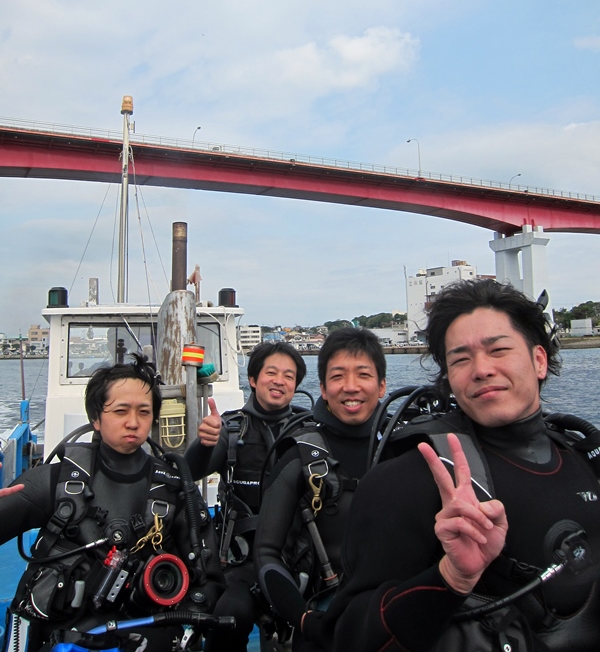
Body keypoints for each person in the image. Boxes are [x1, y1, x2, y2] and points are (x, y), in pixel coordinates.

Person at [325, 278, 600, 652]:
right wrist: (450, 577)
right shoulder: (409, 480)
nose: (481, 369)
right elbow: (350, 636)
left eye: (498, 349)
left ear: (539, 359)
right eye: (460, 359)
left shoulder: (585, 457)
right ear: (450, 380)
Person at [0, 354, 225, 652]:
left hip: (143, 636)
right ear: (96, 418)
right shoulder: (58, 480)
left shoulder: (172, 488)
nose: (133, 422)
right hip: (59, 635)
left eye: (144, 412)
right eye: (121, 411)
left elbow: (210, 581)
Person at [254, 327, 386, 651]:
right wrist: (303, 619)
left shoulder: (406, 450)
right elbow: (266, 552)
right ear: (324, 389)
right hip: (321, 619)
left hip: (393, 618)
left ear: (382, 386)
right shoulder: (297, 456)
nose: (351, 386)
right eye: (338, 376)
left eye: (363, 375)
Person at [184, 341, 308, 652]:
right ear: (253, 379)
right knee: (229, 617)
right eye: (271, 372)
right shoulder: (232, 427)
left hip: (300, 556)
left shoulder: (308, 430)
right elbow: (192, 471)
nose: (280, 381)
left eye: (289, 376)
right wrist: (205, 444)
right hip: (243, 562)